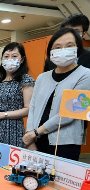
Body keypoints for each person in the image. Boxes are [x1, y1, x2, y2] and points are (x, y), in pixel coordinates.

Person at [23, 28, 90, 161]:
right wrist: (30, 136)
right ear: (51, 52)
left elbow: (71, 112)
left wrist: (37, 132)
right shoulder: (42, 77)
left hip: (65, 143)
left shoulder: (86, 75)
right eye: (57, 47)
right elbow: (33, 107)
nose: (63, 50)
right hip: (36, 140)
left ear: (78, 48)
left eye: (69, 46)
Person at [0, 42, 34, 148]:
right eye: (6, 56)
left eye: (14, 56)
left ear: (22, 59)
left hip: (13, 131)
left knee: (10, 163)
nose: (9, 59)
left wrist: (3, 114)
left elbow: (28, 109)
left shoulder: (26, 80)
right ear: (2, 59)